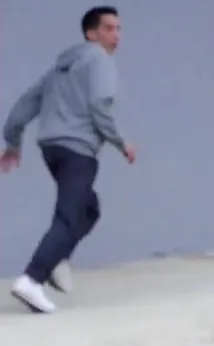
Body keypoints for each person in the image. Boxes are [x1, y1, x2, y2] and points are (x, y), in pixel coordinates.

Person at [1, 6, 136, 314]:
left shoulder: (59, 69)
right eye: (109, 28)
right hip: (77, 150)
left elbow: (25, 104)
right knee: (68, 215)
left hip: (52, 149)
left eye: (118, 29)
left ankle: (56, 259)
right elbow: (100, 106)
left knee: (88, 209)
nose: (116, 35)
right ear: (91, 33)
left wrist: (13, 142)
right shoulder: (100, 60)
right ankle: (32, 279)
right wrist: (121, 142)